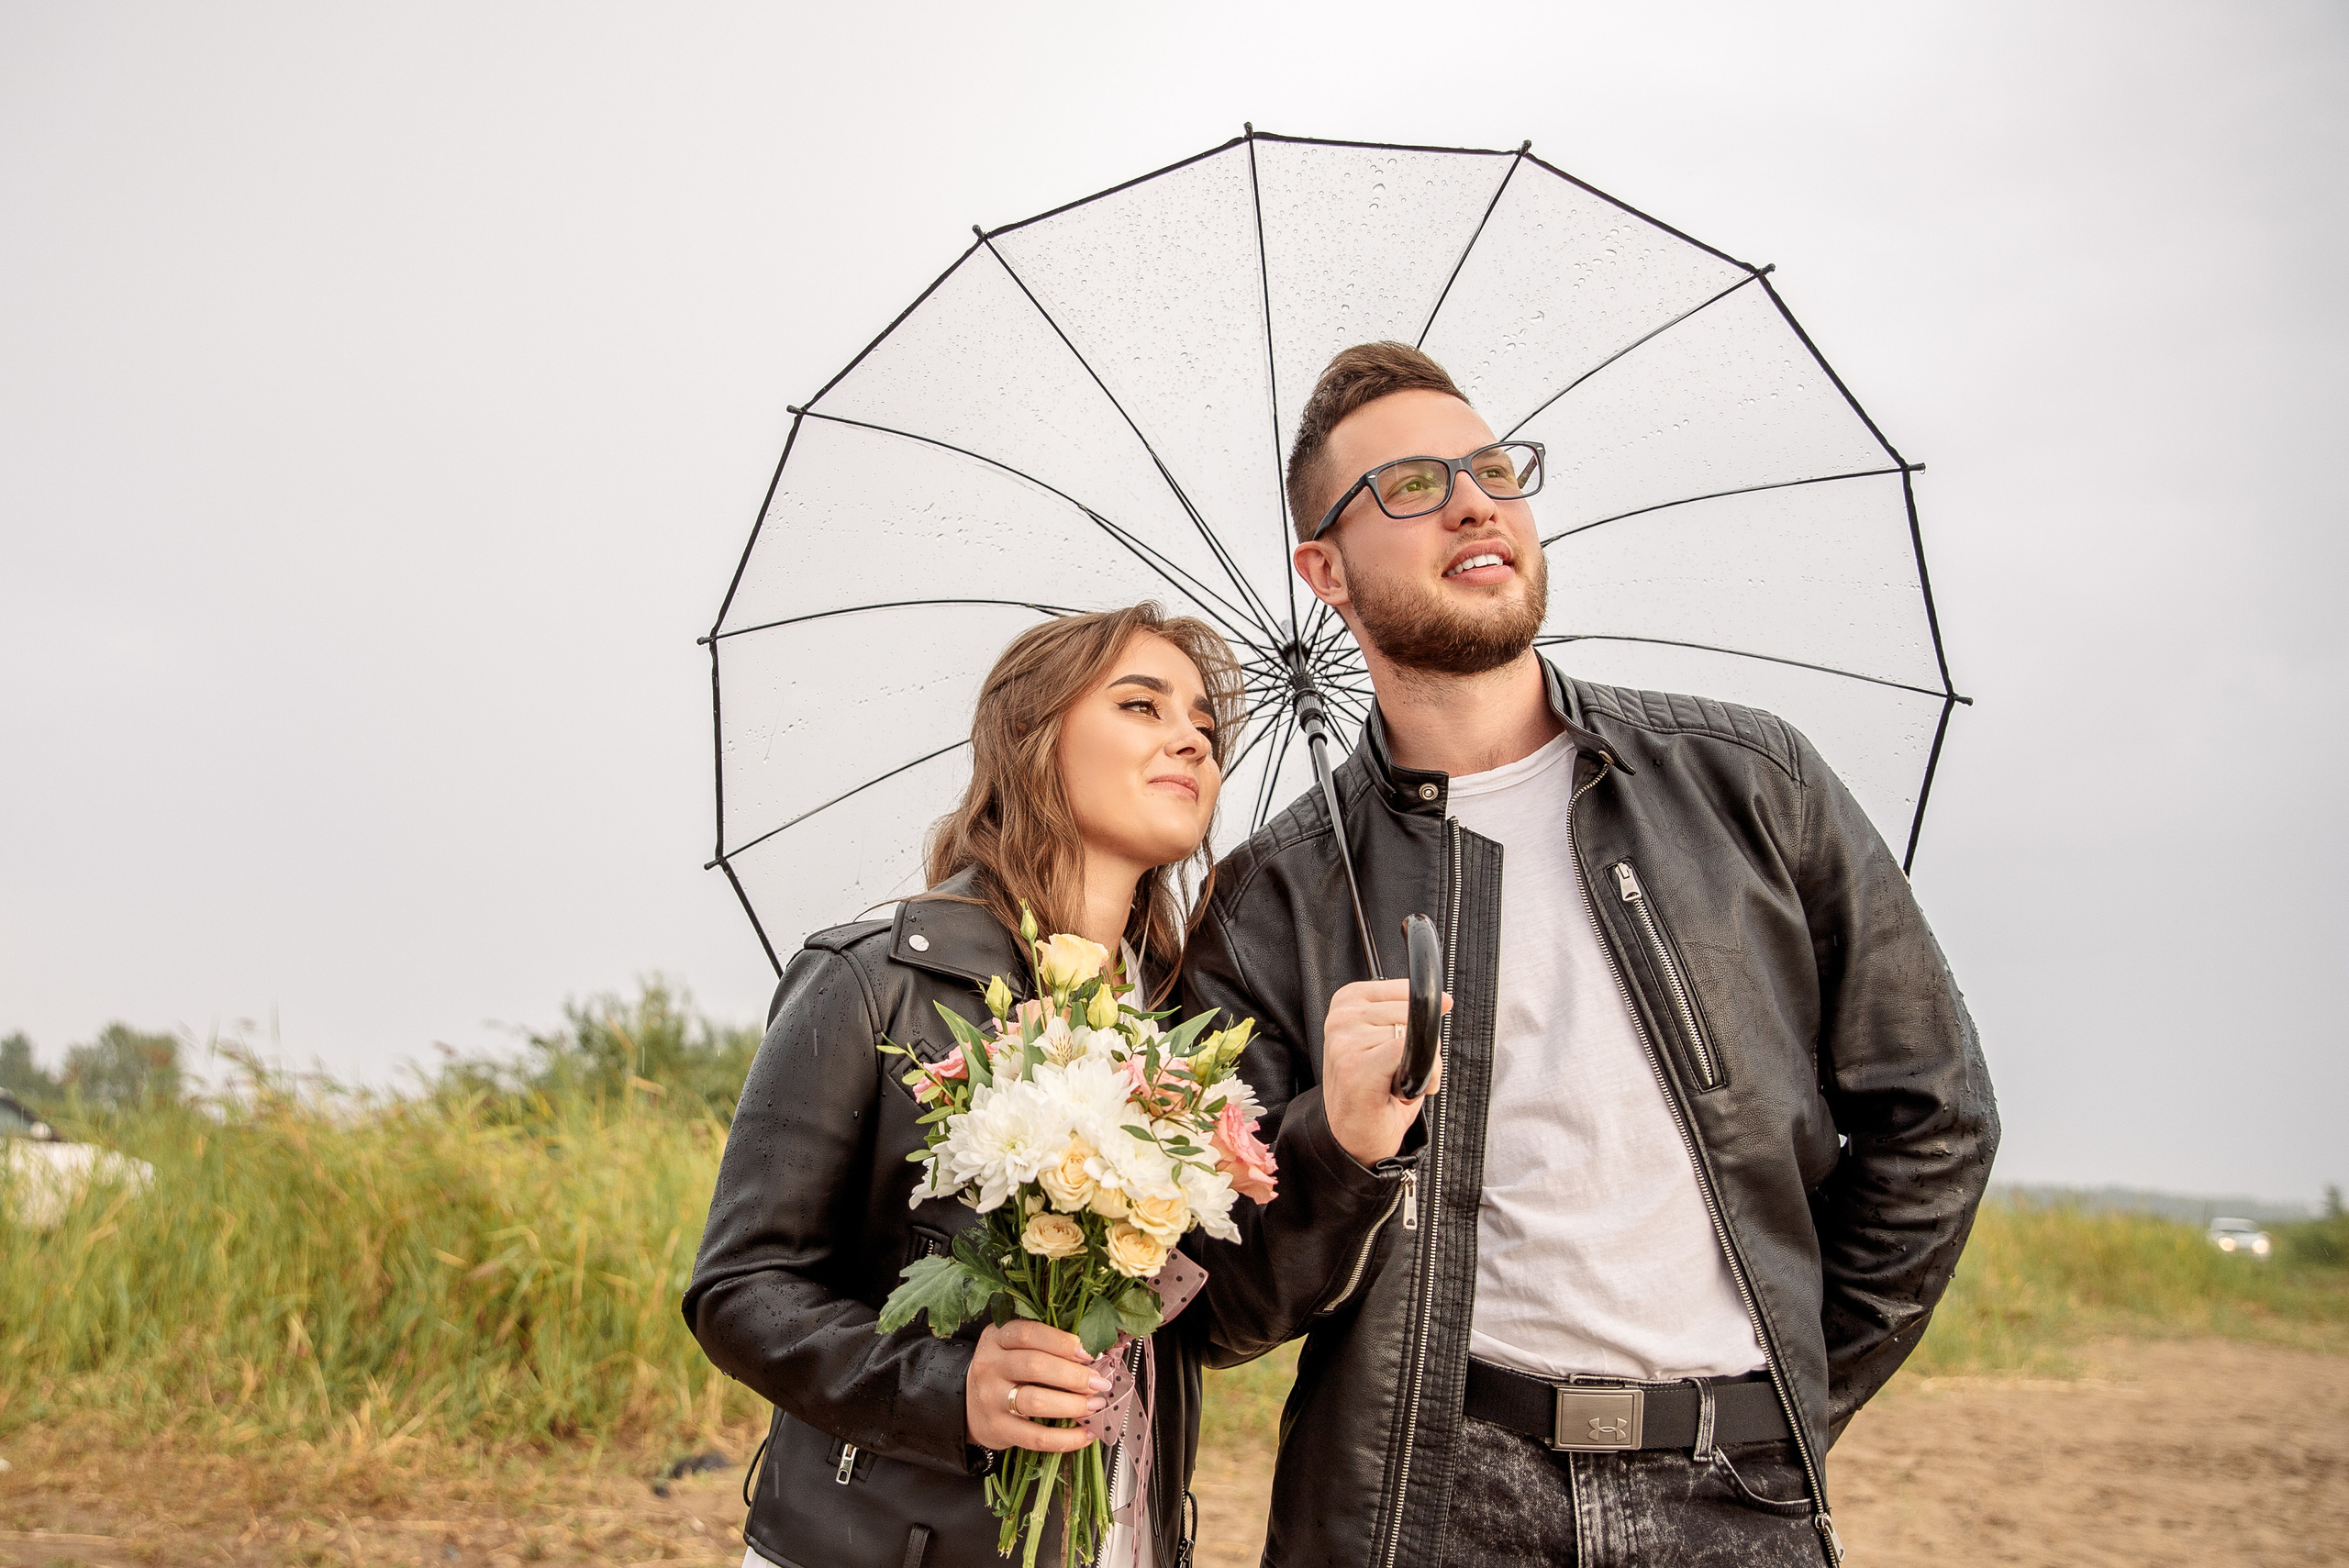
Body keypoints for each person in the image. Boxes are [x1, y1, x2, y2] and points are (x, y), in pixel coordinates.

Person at [1180, 344, 2000, 1568]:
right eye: (1411, 484)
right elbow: (1225, 1305)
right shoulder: (1271, 899)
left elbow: (1932, 1113)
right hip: (1434, 1498)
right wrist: (1338, 1143)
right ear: (1324, 570)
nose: (1474, 502)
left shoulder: (1751, 784)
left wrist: (1793, 1403)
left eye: (1495, 469)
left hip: (1741, 1492)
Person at [684, 604, 1397, 1568]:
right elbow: (740, 1288)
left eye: (1205, 726)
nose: (1190, 736)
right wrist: (950, 1387)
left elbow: (1225, 1322)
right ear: (1031, 740)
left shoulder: (1187, 1040)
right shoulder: (874, 979)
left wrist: (1345, 1143)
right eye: (1141, 704)